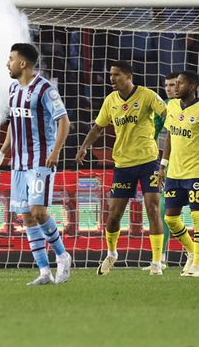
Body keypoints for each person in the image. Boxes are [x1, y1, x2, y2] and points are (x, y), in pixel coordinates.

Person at [0, 43, 72, 286]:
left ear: (23, 63)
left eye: (11, 59)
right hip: (18, 163)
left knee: (39, 212)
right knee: (26, 217)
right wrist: (1, 154)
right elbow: (14, 126)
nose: (8, 63)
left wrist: (56, 151)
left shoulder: (46, 89)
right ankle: (44, 272)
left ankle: (62, 256)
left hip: (40, 160)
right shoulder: (13, 88)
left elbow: (64, 121)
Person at [76, 61, 167, 275]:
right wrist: (84, 147)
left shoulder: (147, 95)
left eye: (116, 75)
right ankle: (112, 253)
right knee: (114, 214)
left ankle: (156, 262)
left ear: (128, 76)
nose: (111, 79)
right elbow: (98, 127)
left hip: (148, 161)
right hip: (123, 164)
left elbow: (167, 114)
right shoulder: (110, 101)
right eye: (110, 75)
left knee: (153, 209)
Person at [151, 73, 199, 270]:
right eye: (172, 84)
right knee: (169, 217)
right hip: (173, 172)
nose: (174, 87)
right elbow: (168, 137)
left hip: (196, 171)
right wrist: (162, 166)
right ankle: (189, 252)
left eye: (179, 83)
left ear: (192, 86)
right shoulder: (171, 107)